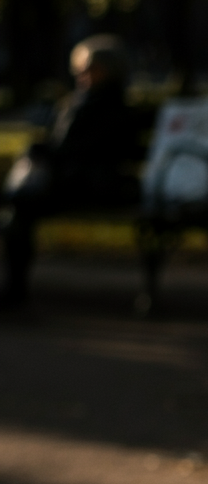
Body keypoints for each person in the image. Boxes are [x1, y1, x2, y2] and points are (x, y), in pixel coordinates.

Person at [0, 35, 141, 307]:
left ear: (106, 70)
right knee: (19, 206)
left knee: (20, 206)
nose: (79, 74)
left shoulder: (105, 106)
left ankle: (15, 290)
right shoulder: (87, 101)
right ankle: (14, 287)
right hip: (76, 180)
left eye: (86, 68)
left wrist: (44, 152)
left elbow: (83, 149)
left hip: (91, 184)